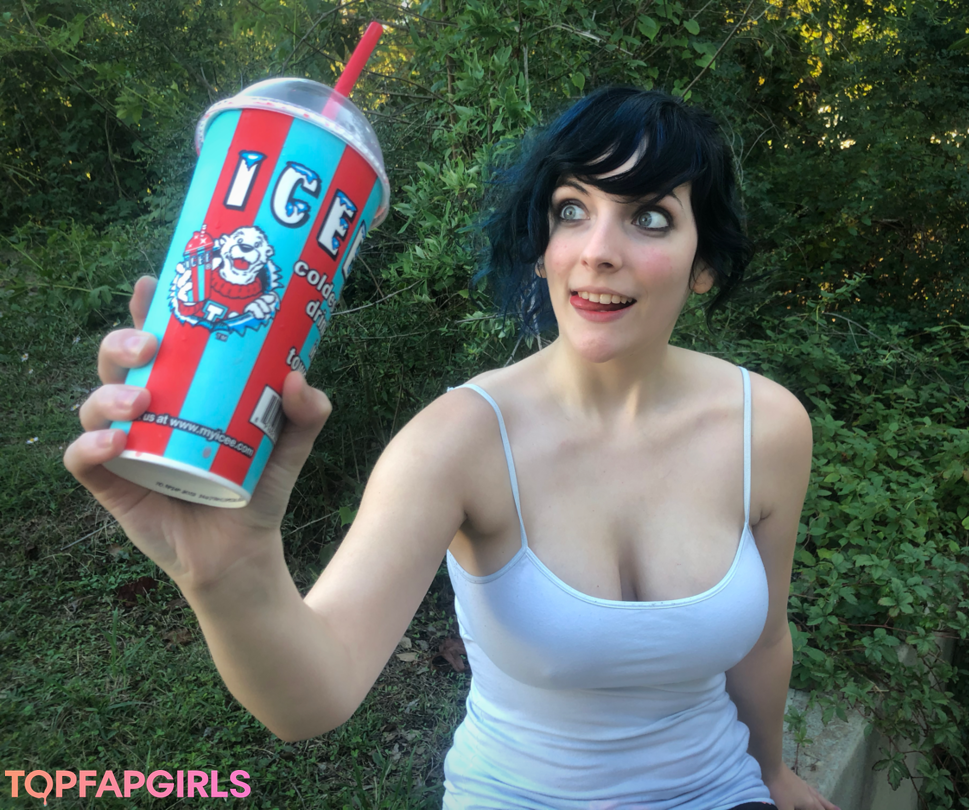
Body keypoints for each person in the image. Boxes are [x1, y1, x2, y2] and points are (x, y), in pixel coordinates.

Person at [66, 86, 839, 810]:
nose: (597, 250)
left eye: (652, 218)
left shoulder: (765, 426)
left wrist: (771, 773)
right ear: (541, 245)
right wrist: (228, 572)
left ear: (706, 264)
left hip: (719, 789)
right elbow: (313, 698)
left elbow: (764, 640)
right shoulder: (459, 440)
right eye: (572, 210)